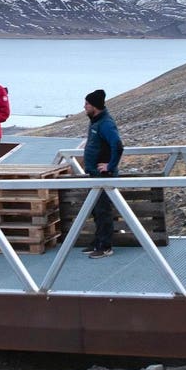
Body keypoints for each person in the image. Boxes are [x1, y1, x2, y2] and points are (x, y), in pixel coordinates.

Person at [81, 88, 123, 259]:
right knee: (96, 210)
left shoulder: (106, 123)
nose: (84, 107)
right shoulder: (95, 120)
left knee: (103, 210)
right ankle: (98, 241)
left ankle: (105, 246)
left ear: (95, 106)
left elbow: (117, 145)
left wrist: (110, 166)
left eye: (87, 104)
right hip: (94, 175)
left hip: (104, 176)